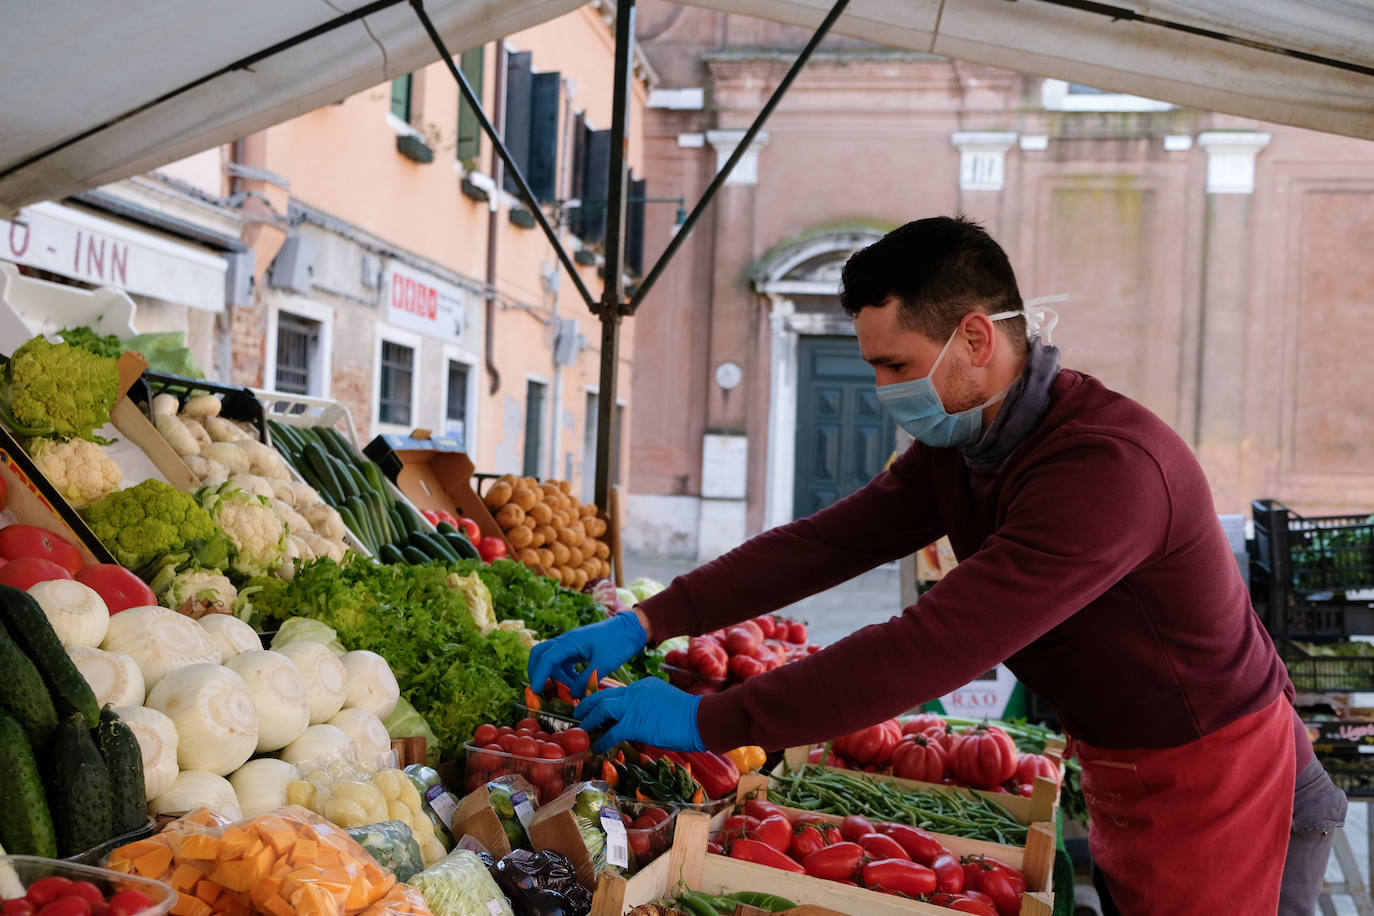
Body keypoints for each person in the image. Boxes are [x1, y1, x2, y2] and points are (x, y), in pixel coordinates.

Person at [528, 216, 1345, 913]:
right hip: (1124, 760)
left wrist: (711, 720)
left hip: (1221, 773)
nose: (883, 390)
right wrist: (647, 618)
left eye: (894, 366)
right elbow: (825, 543)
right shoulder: (964, 442)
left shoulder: (1107, 468)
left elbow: (927, 646)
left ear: (977, 338)